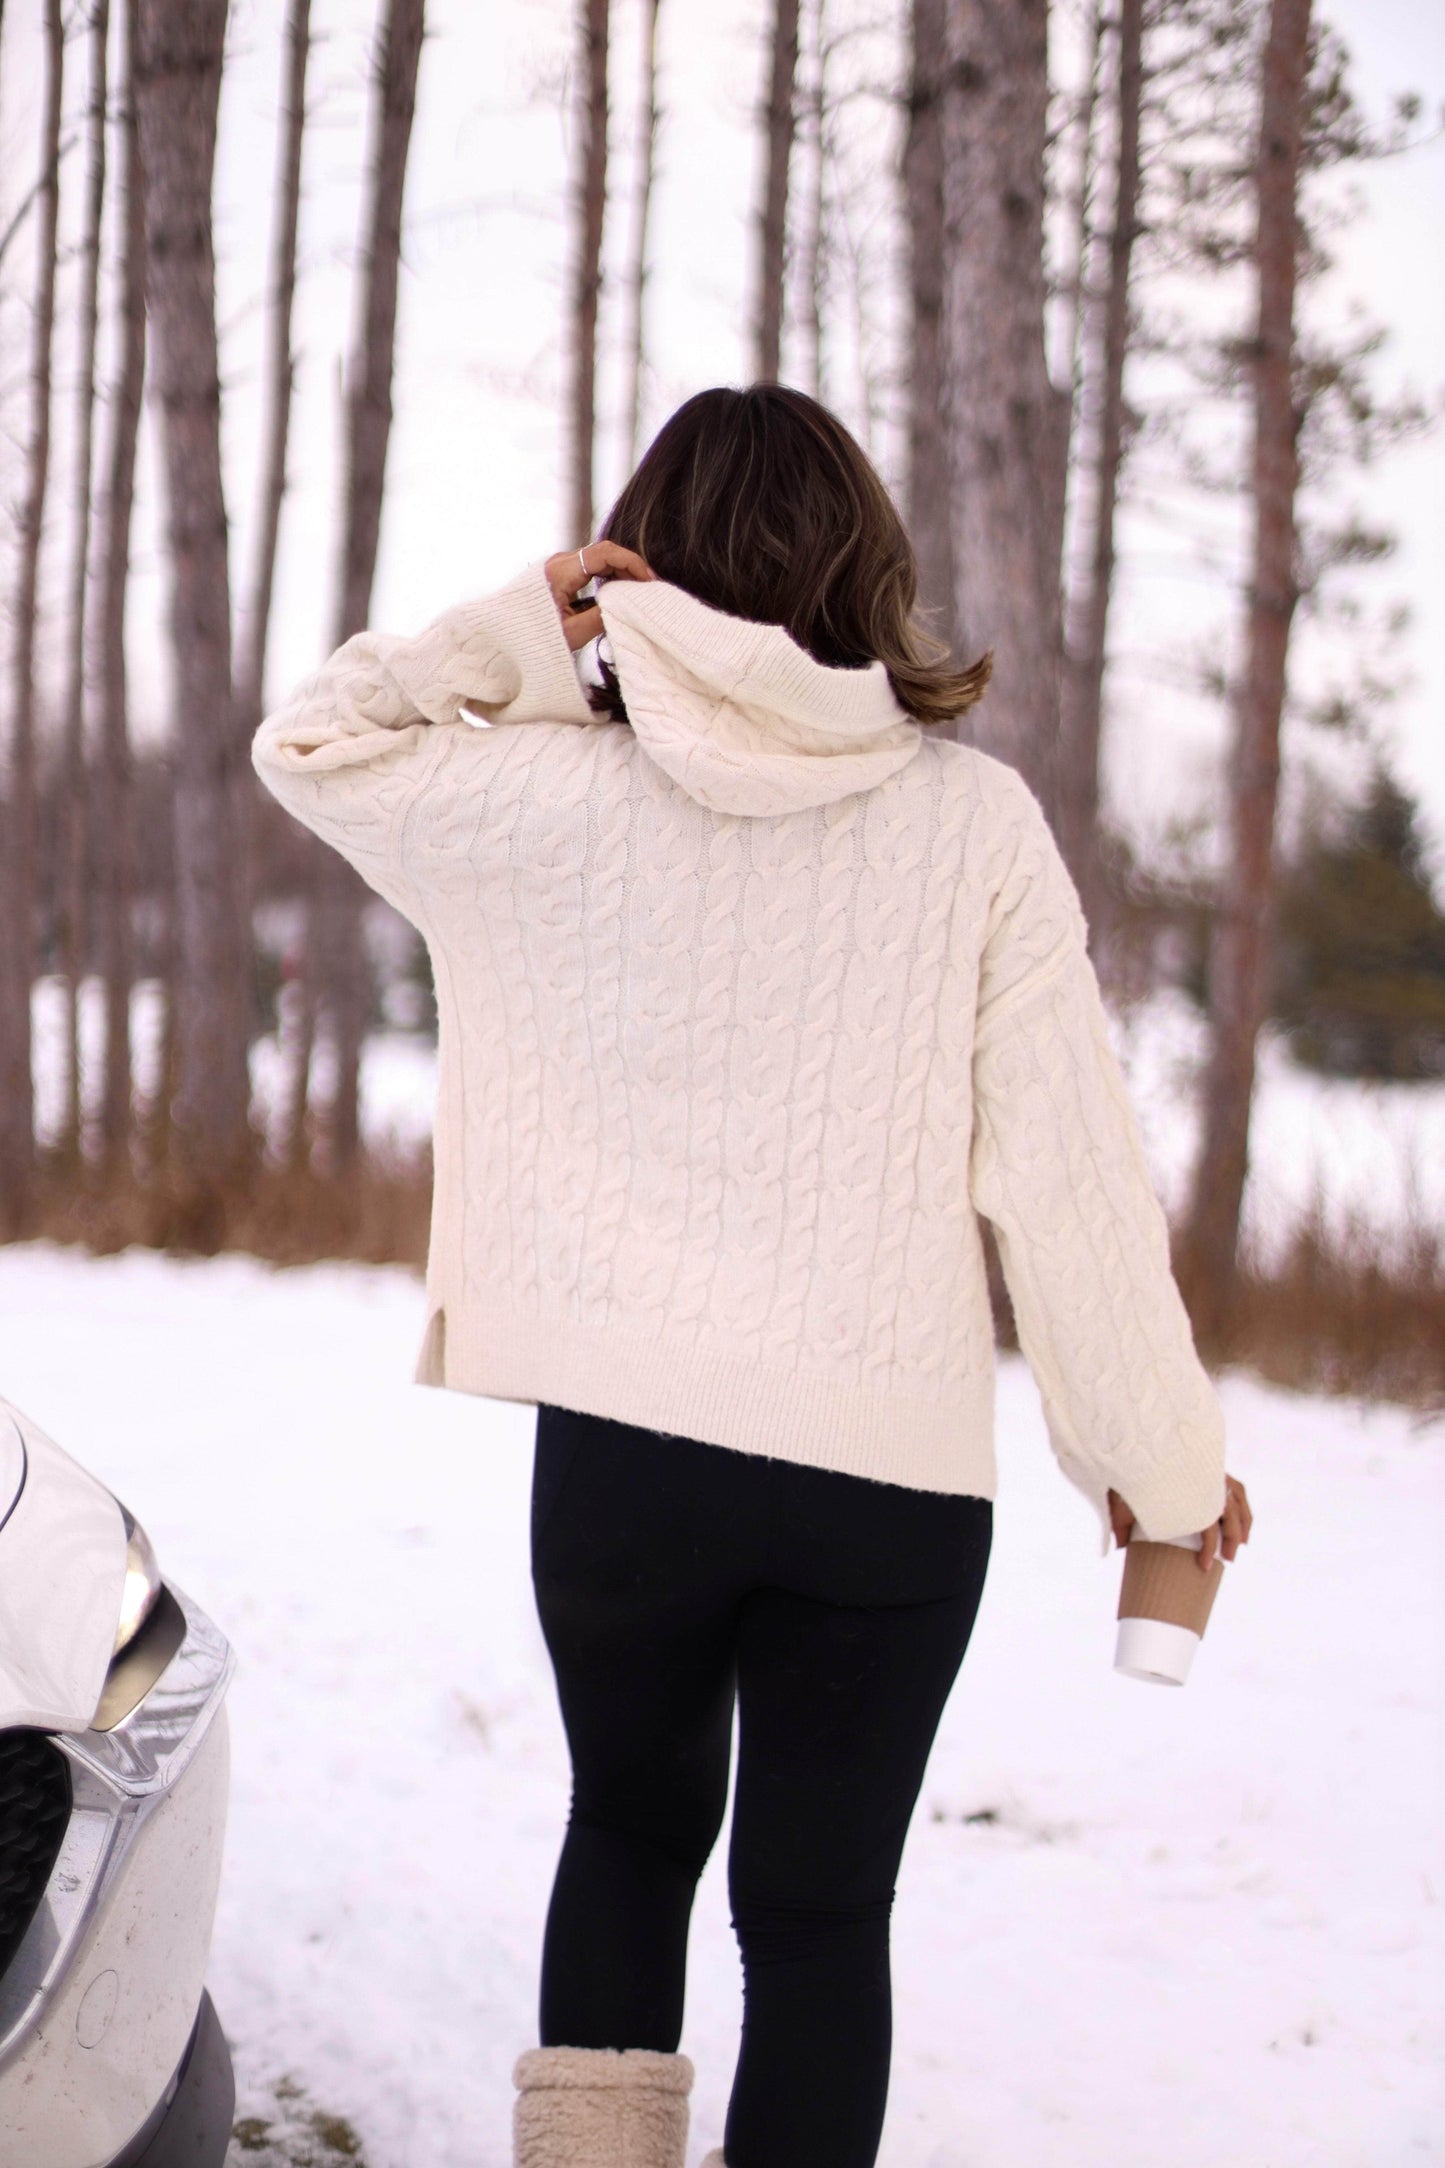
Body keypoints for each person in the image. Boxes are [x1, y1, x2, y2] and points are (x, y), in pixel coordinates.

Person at [252, 384, 1253, 2168]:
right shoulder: (974, 825)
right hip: (882, 1487)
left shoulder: (532, 798)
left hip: (629, 1461)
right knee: (815, 1926)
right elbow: (1073, 1189)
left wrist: (527, 622)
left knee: (629, 1842)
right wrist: (1161, 1478)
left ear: (643, 554)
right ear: (864, 558)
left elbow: (313, 742)